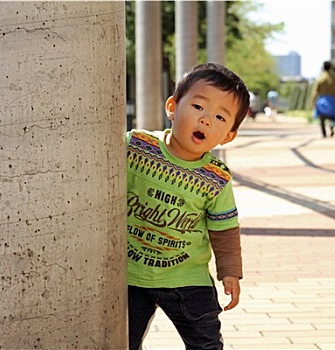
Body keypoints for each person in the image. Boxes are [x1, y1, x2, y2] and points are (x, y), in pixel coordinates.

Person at [127, 63, 249, 349]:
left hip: (189, 279)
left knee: (205, 343)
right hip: (130, 275)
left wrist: (229, 271)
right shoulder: (136, 147)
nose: (206, 120)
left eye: (220, 117)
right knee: (123, 341)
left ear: (229, 135)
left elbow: (225, 228)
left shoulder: (216, 178)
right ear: (172, 106)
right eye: (198, 107)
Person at [311, 61, 335, 137]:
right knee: (332, 117)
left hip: (322, 100)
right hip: (332, 100)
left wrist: (313, 101)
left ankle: (324, 133)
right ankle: (332, 129)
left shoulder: (320, 79)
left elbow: (315, 91)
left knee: (322, 117)